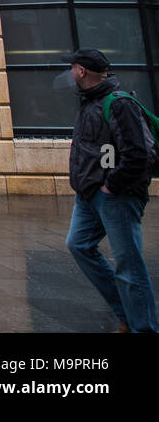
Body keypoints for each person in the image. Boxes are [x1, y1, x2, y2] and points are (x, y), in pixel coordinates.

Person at [63, 49, 158, 333]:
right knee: (78, 245)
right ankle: (126, 313)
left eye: (73, 68)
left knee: (129, 266)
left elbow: (141, 154)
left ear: (82, 72)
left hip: (115, 196)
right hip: (88, 195)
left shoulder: (119, 104)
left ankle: (144, 328)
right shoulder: (89, 102)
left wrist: (111, 186)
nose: (70, 73)